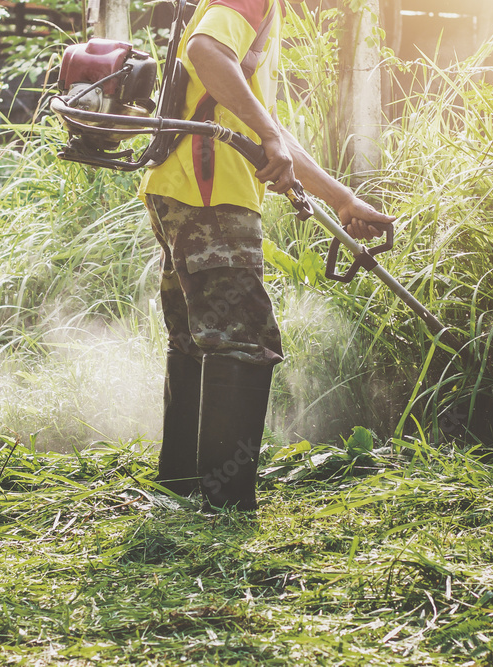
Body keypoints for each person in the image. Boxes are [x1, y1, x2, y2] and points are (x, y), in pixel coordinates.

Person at [138, 0, 395, 510]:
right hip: (211, 193)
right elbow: (206, 52)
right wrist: (271, 135)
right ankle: (226, 506)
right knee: (242, 339)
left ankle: (182, 489)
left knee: (197, 339)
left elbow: (262, 127)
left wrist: (341, 199)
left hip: (180, 190)